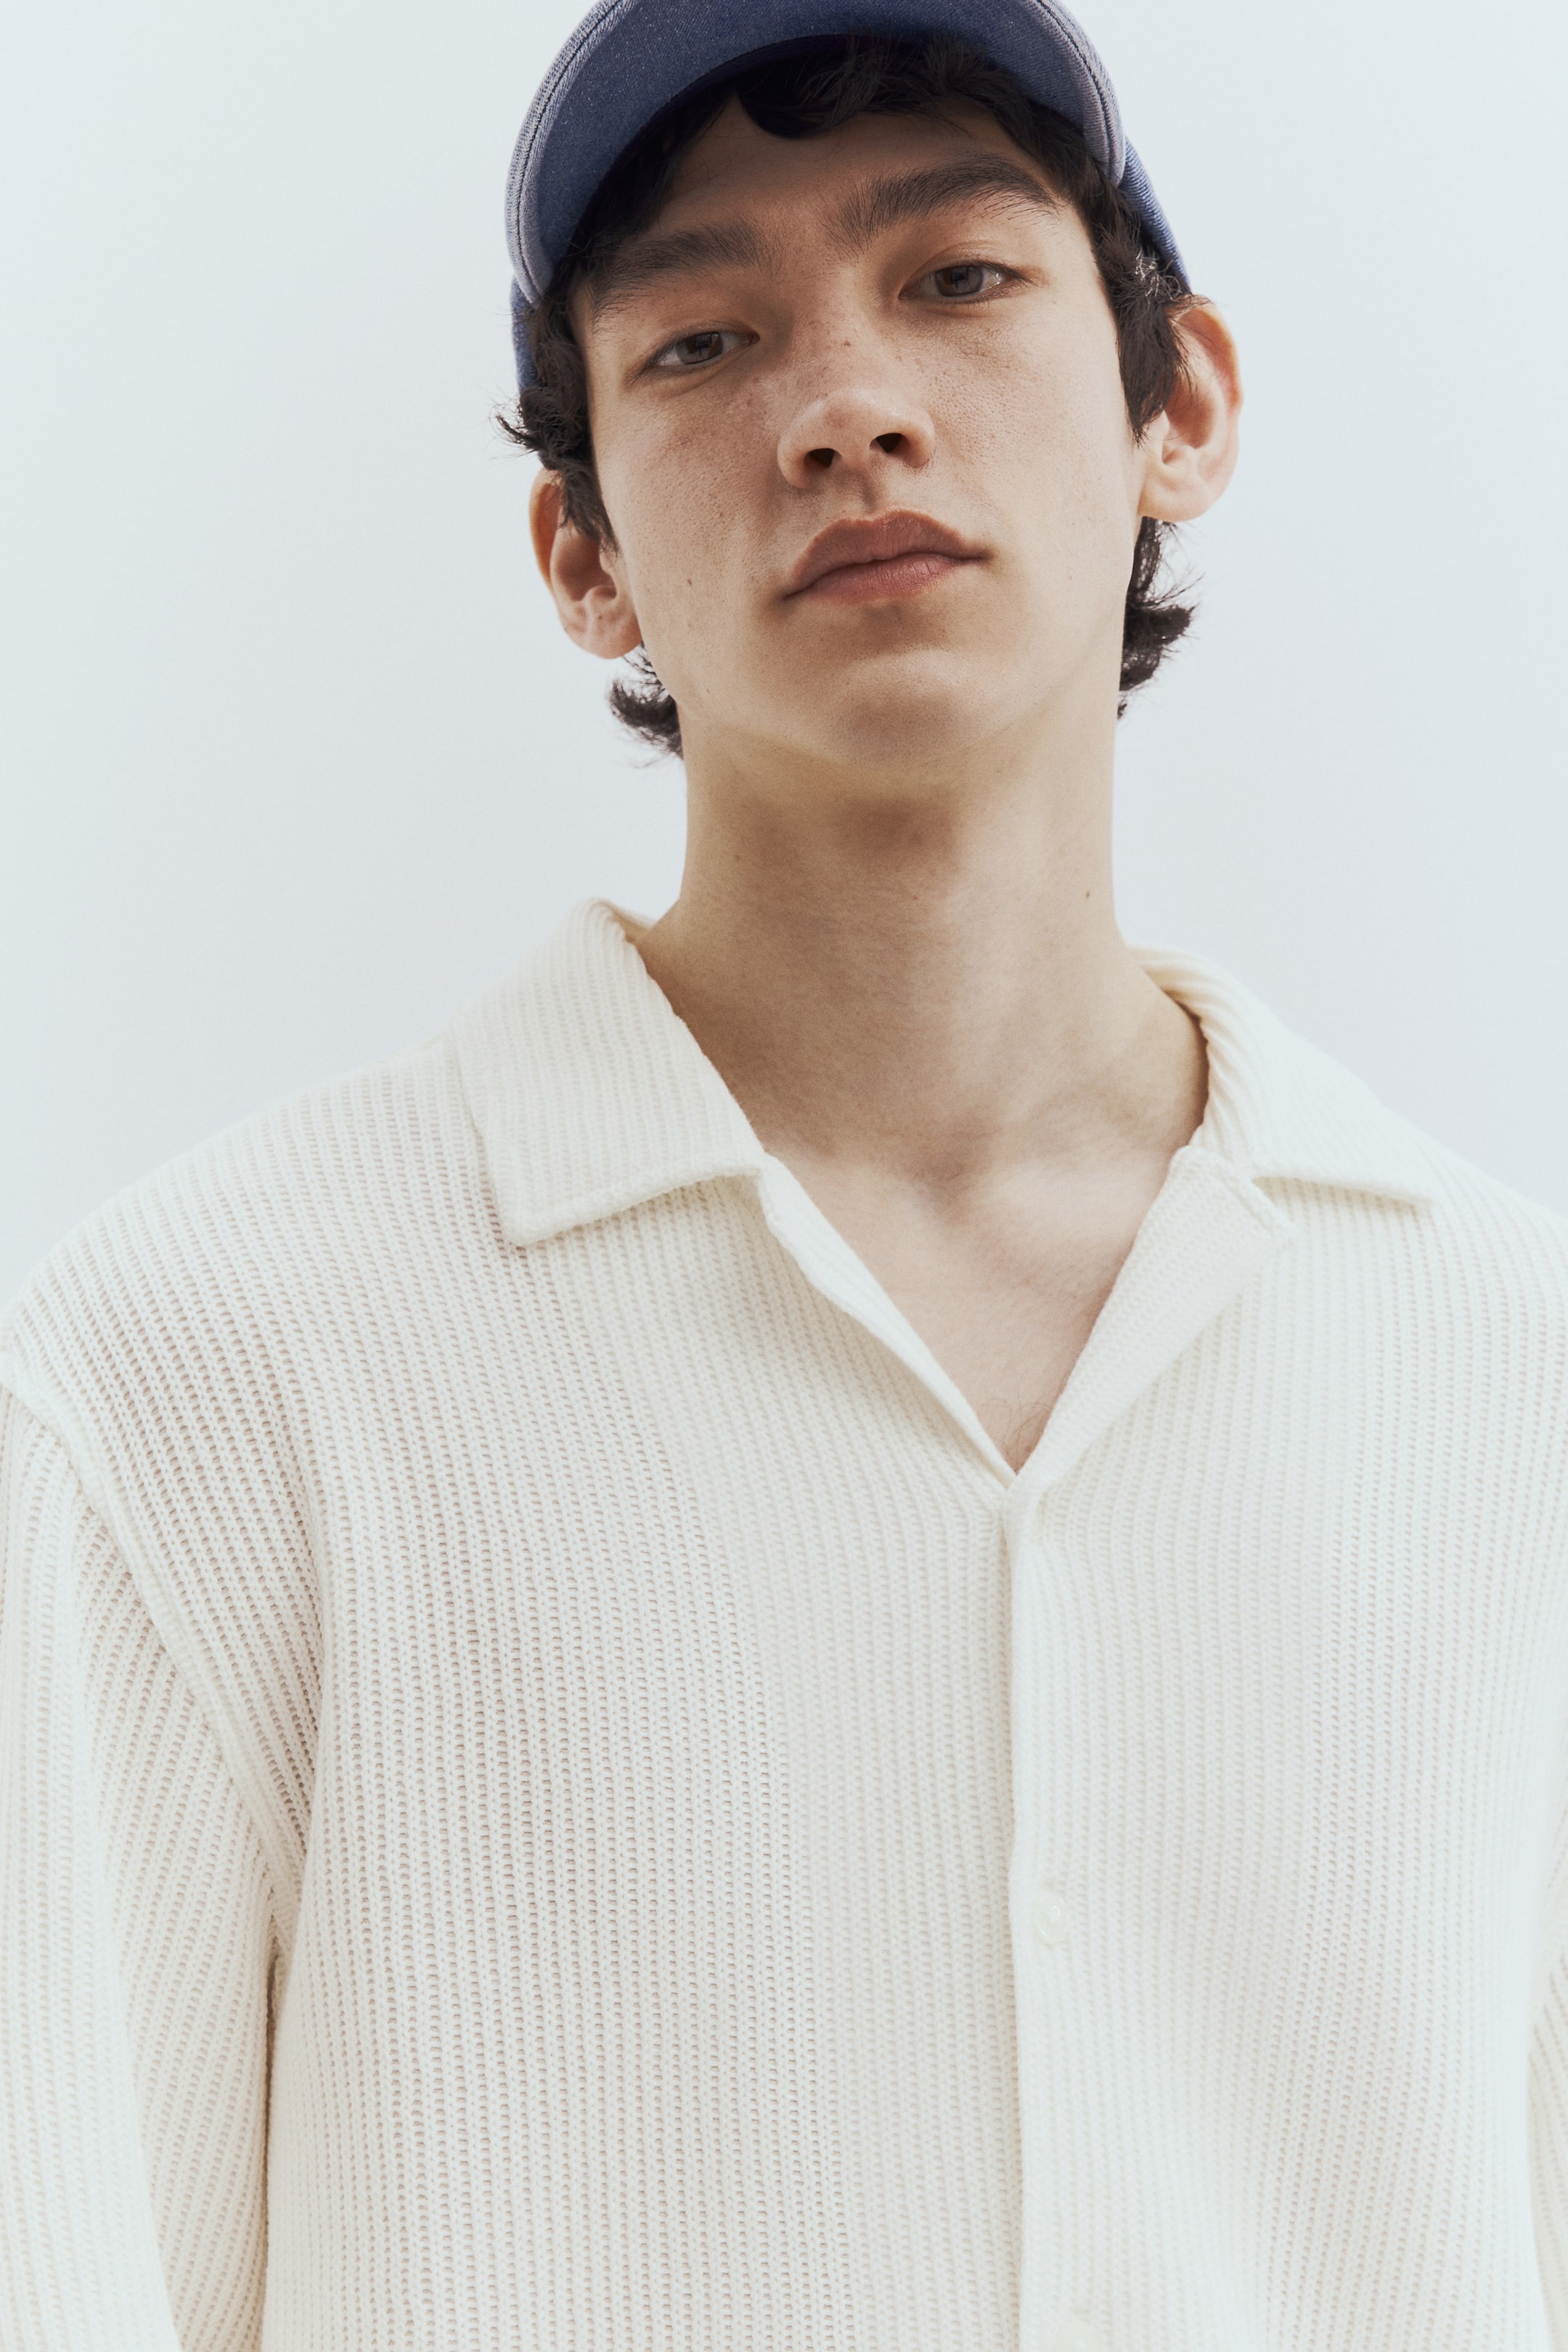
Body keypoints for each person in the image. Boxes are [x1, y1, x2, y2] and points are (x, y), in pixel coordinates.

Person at [3, 1, 1567, 2346]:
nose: (846, 406)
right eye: (707, 340)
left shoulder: (1511, 1380)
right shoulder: (191, 1387)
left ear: (1183, 405)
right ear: (582, 553)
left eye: (958, 278)